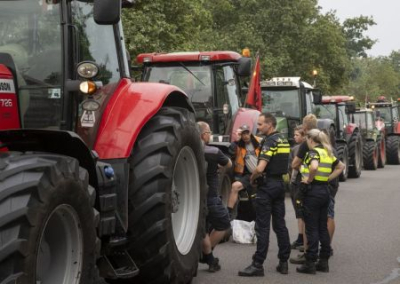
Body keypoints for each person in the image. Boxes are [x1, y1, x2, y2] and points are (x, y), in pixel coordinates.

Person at [238, 113, 291, 277]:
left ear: (270, 124)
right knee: (280, 225)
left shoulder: (269, 141)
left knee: (263, 226)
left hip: (266, 186)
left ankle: (257, 264)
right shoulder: (284, 140)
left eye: (261, 124)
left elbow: (260, 168)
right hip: (280, 185)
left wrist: (252, 179)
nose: (258, 128)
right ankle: (283, 262)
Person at [295, 129, 345, 274]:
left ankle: (310, 263)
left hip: (312, 192)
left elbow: (314, 166)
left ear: (311, 140)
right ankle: (324, 261)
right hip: (325, 191)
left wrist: (309, 180)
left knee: (311, 228)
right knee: (323, 227)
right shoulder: (327, 152)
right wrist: (328, 178)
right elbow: (341, 166)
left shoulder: (313, 153)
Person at [197, 121, 232, 272]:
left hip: (196, 197)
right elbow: (229, 164)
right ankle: (207, 254)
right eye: (209, 132)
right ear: (204, 135)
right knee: (224, 224)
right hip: (210, 196)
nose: (210, 135)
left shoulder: (190, 151)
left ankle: (210, 260)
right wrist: (218, 165)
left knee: (204, 230)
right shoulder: (213, 152)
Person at [227, 124, 261, 219]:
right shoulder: (238, 145)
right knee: (235, 186)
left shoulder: (260, 142)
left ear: (250, 133)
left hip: (262, 173)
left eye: (247, 133)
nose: (245, 136)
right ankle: (228, 213)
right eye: (243, 134)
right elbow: (230, 154)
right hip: (249, 174)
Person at [288, 126, 306, 250]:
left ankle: (302, 238)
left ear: (304, 136)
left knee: (301, 212)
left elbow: (294, 165)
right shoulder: (294, 148)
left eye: (297, 135)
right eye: (294, 135)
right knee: (299, 213)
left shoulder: (300, 149)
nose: (294, 137)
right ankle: (302, 237)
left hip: (299, 183)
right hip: (295, 182)